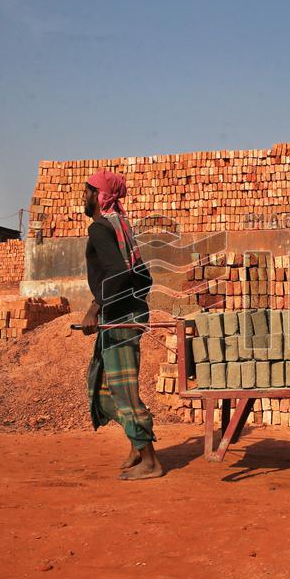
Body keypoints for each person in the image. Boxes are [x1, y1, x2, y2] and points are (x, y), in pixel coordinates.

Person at [80, 169, 162, 480]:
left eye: (87, 191)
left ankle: (151, 461)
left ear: (99, 196)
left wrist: (94, 308)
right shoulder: (121, 224)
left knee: (122, 389)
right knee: (101, 386)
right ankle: (135, 443)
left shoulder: (100, 228)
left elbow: (117, 272)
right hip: (124, 314)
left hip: (120, 318)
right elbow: (141, 274)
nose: (82, 197)